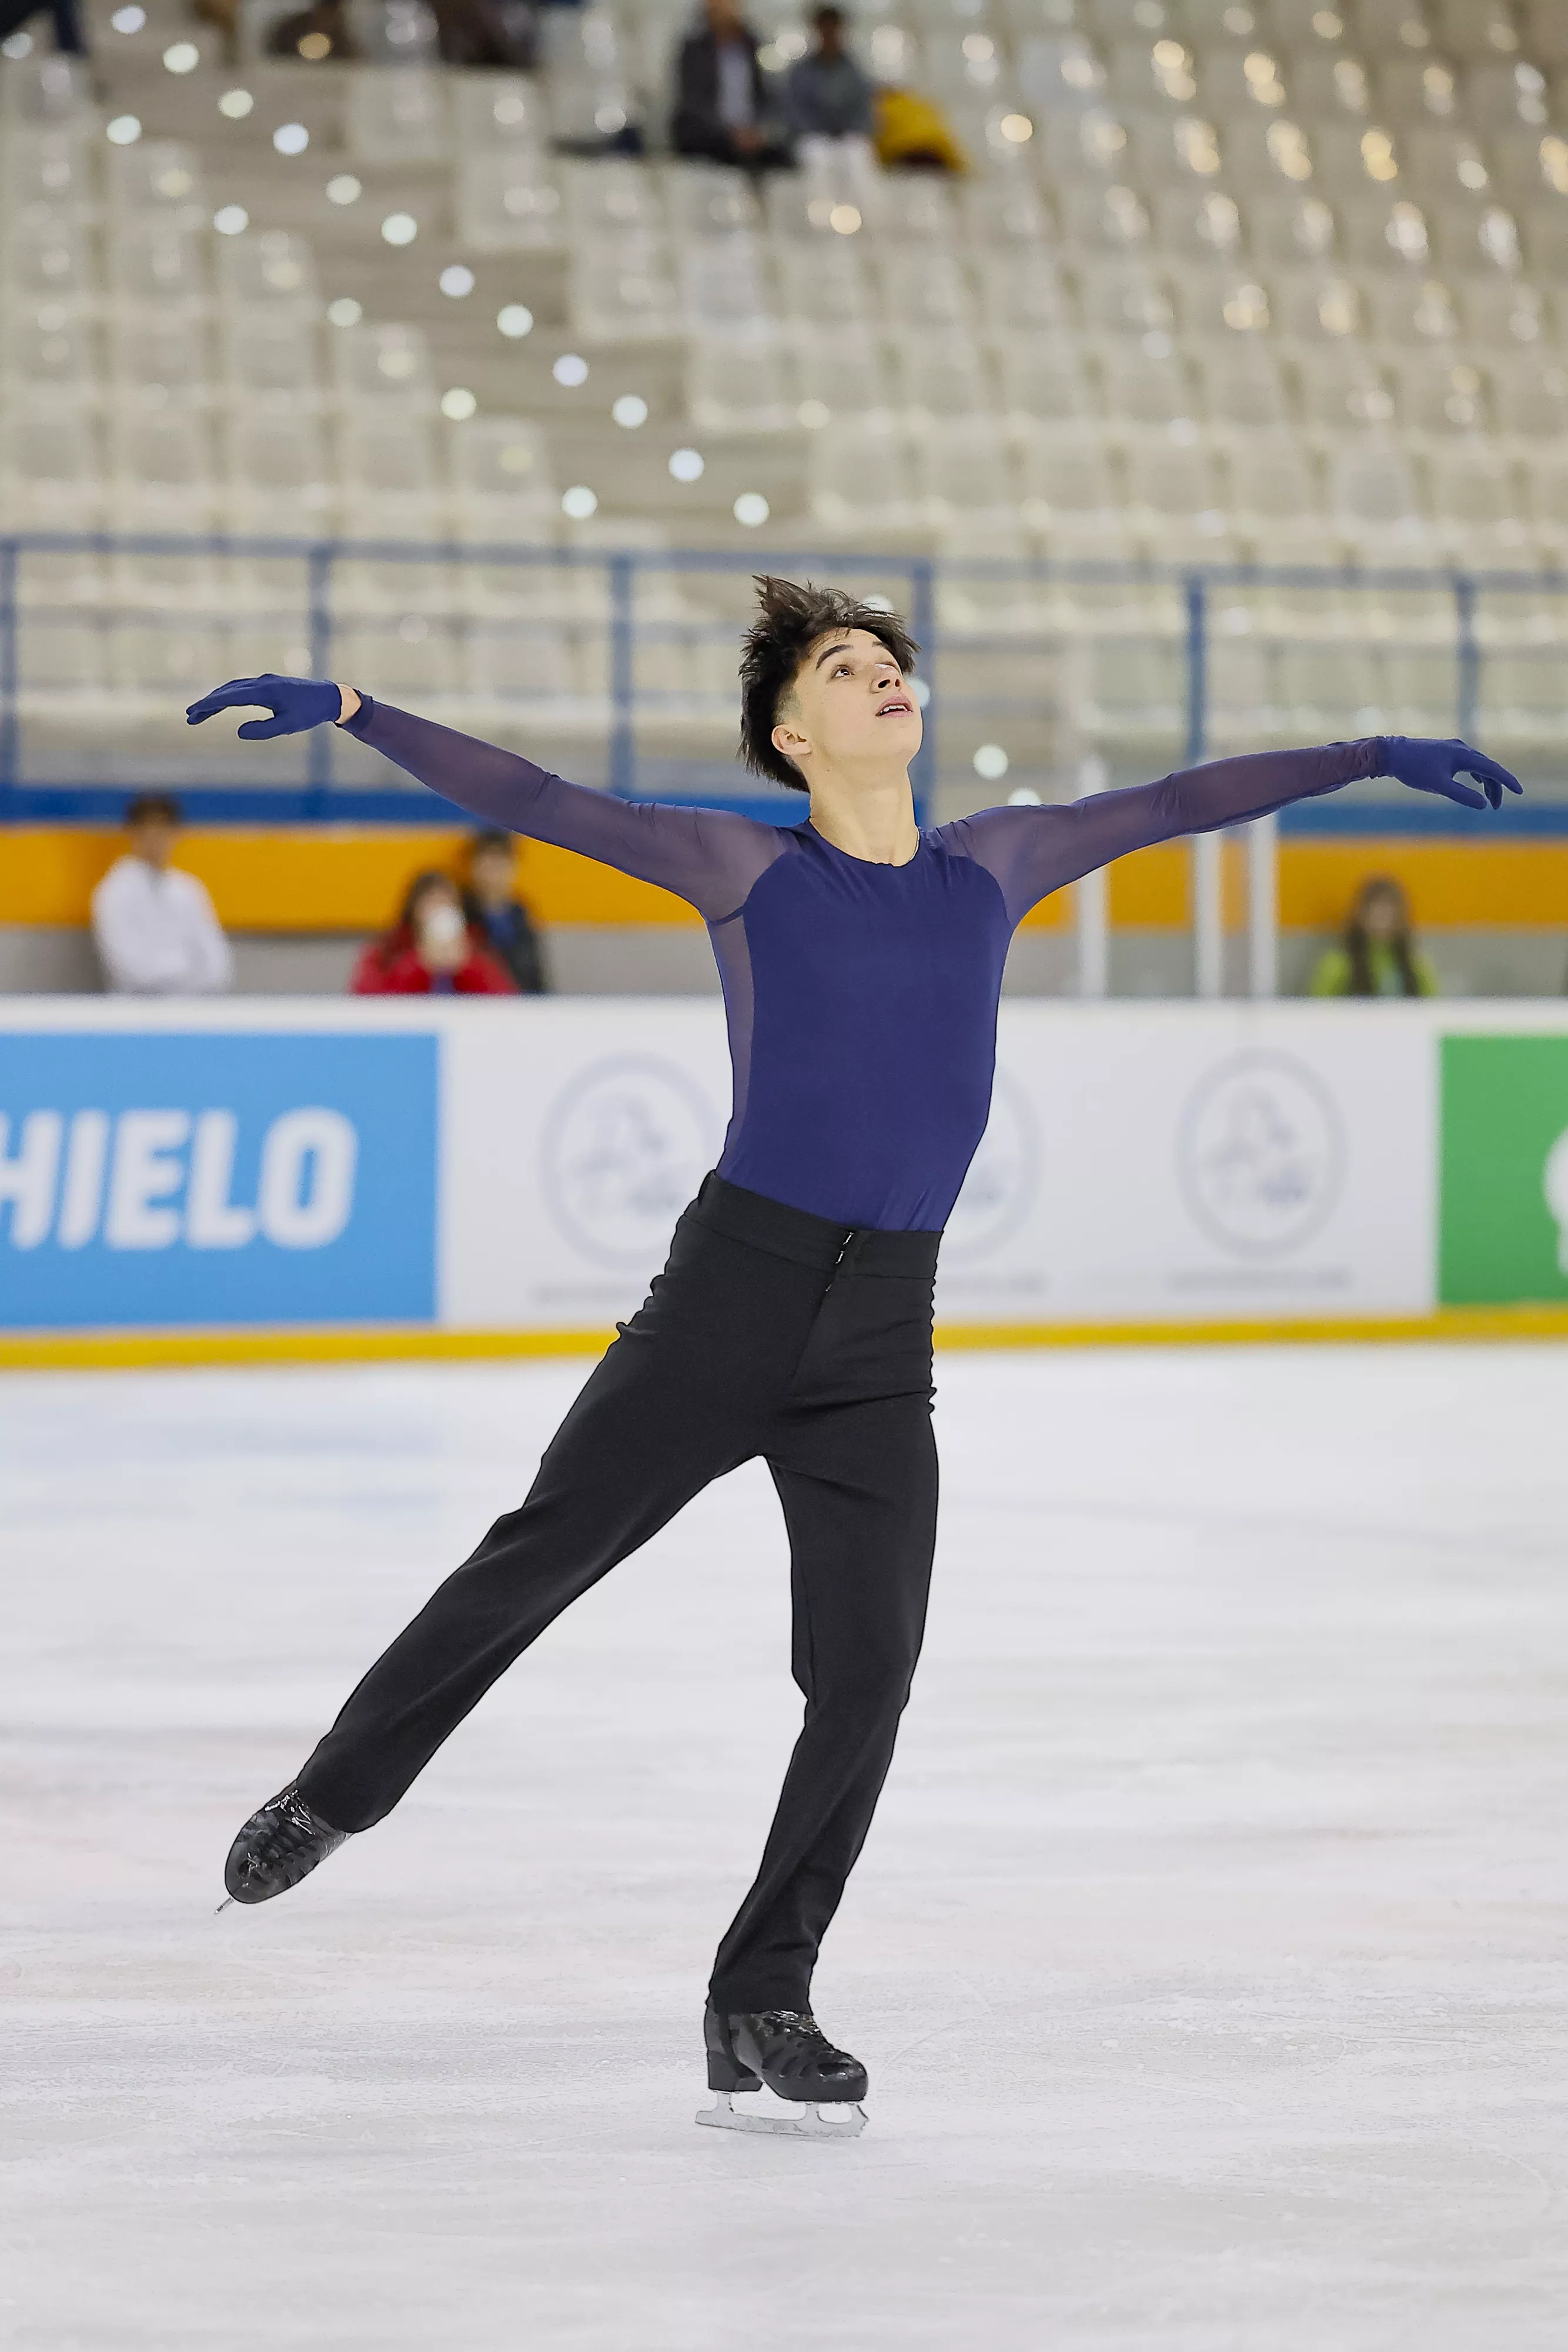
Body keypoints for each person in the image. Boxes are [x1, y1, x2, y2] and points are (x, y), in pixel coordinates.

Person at [186, 602, 1519, 2137]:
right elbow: (544, 804)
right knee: (541, 1555)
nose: (882, 676)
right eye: (841, 669)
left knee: (868, 1672)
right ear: (791, 738)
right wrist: (361, 707)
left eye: (889, 659)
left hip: (883, 1331)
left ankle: (762, 1990)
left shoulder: (991, 867)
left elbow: (1170, 805)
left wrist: (1363, 753)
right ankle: (333, 1795)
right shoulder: (749, 871)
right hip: (727, 1300)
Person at [90, 793, 233, 997]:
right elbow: (130, 971)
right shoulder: (113, 893)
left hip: (193, 1014)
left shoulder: (189, 889)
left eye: (164, 829)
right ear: (133, 833)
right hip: (135, 1017)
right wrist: (184, 970)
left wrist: (184, 982)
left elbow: (218, 966)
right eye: (149, 830)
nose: (157, 839)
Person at [350, 869, 516, 995]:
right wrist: (419, 965)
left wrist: (468, 966)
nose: (438, 909)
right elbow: (368, 1005)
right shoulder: (386, 951)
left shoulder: (479, 950)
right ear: (413, 909)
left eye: (446, 902)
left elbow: (505, 1003)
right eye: (430, 902)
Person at [672, 0, 791, 173]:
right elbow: (693, 102)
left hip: (750, 133)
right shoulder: (694, 50)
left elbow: (765, 95)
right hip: (710, 132)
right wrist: (731, 132)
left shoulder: (752, 45)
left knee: (784, 159)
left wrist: (757, 130)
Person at [1308, 873, 1437, 998]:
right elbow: (1318, 1012)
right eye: (1376, 912)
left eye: (1389, 913)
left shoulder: (1415, 966)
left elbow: (1435, 1010)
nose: (1382, 921)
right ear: (1360, 916)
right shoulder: (1338, 964)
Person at [462, 828, 550, 995]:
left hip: (522, 1007)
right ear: (474, 865)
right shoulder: (462, 912)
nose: (494, 871)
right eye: (488, 861)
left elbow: (535, 974)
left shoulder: (521, 914)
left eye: (501, 862)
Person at [787, 6, 874, 142]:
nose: (829, 36)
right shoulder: (801, 72)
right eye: (825, 31)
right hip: (813, 137)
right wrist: (817, 131)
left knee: (858, 154)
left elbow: (863, 110)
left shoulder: (855, 71)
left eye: (833, 30)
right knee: (816, 155)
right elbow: (794, 111)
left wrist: (848, 131)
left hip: (849, 137)